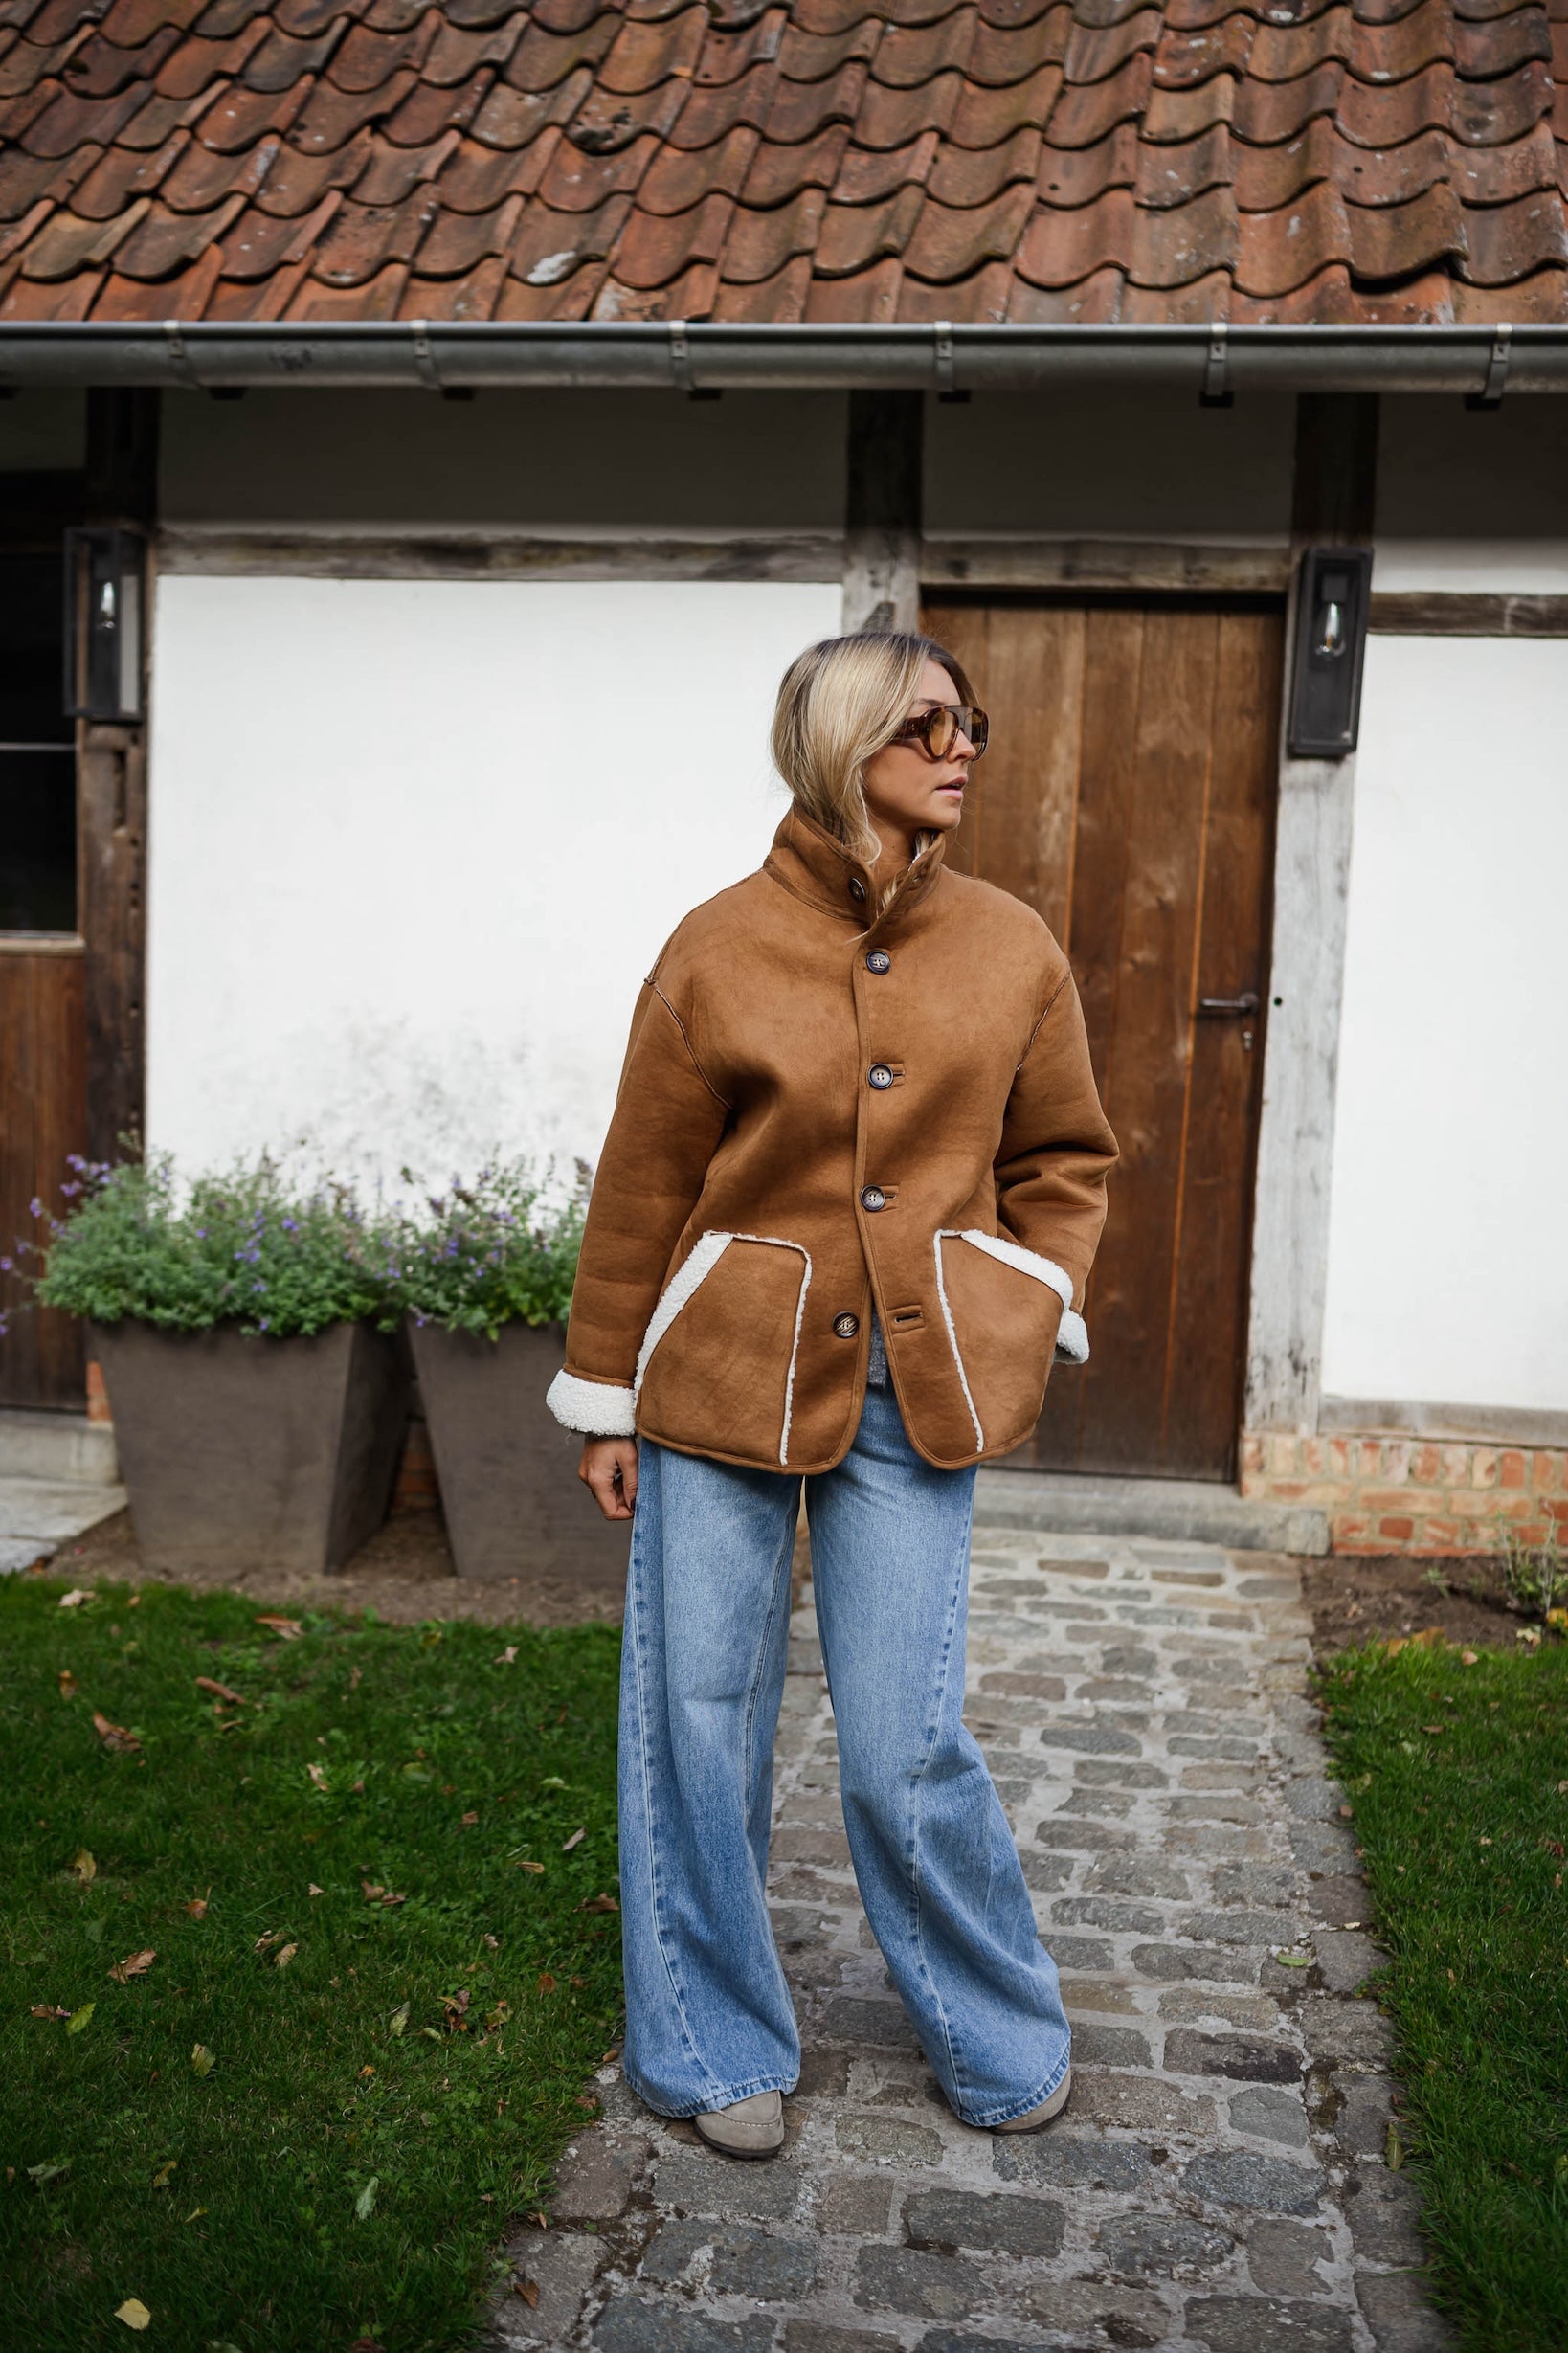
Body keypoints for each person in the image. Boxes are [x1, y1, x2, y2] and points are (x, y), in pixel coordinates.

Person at [548, 632, 1118, 2159]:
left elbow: (1066, 1160)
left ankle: (996, 2030)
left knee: (903, 1737)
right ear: (839, 742)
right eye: (927, 723)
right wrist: (604, 1398)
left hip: (914, 1388)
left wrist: (1029, 1292)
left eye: (968, 722)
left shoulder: (1010, 946)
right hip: (721, 1377)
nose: (962, 747)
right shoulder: (716, 945)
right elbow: (641, 1184)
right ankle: (707, 2039)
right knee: (697, 1719)